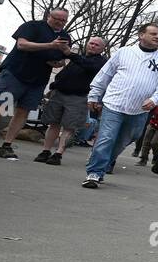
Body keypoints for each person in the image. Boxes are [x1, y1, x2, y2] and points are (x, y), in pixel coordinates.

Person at [0, 7, 72, 160]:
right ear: (49, 16)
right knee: (2, 107)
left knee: (23, 112)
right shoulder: (32, 26)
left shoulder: (64, 36)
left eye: (63, 20)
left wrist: (59, 61)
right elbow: (22, 45)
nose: (60, 22)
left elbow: (61, 59)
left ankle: (7, 145)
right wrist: (50, 45)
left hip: (38, 80)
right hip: (16, 74)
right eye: (57, 18)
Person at [81, 23, 158, 189]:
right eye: (153, 33)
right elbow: (105, 74)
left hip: (140, 109)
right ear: (141, 35)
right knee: (106, 138)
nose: (157, 37)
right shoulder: (124, 52)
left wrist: (155, 99)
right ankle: (94, 172)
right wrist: (94, 94)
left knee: (125, 140)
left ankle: (104, 162)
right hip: (114, 103)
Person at [34, 36, 108, 165]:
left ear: (102, 49)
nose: (93, 46)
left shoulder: (101, 62)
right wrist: (54, 86)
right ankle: (45, 151)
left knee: (69, 127)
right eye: (91, 43)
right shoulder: (78, 58)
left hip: (79, 97)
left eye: (97, 45)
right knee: (53, 123)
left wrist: (69, 53)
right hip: (59, 93)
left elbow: (88, 66)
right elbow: (65, 73)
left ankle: (58, 153)